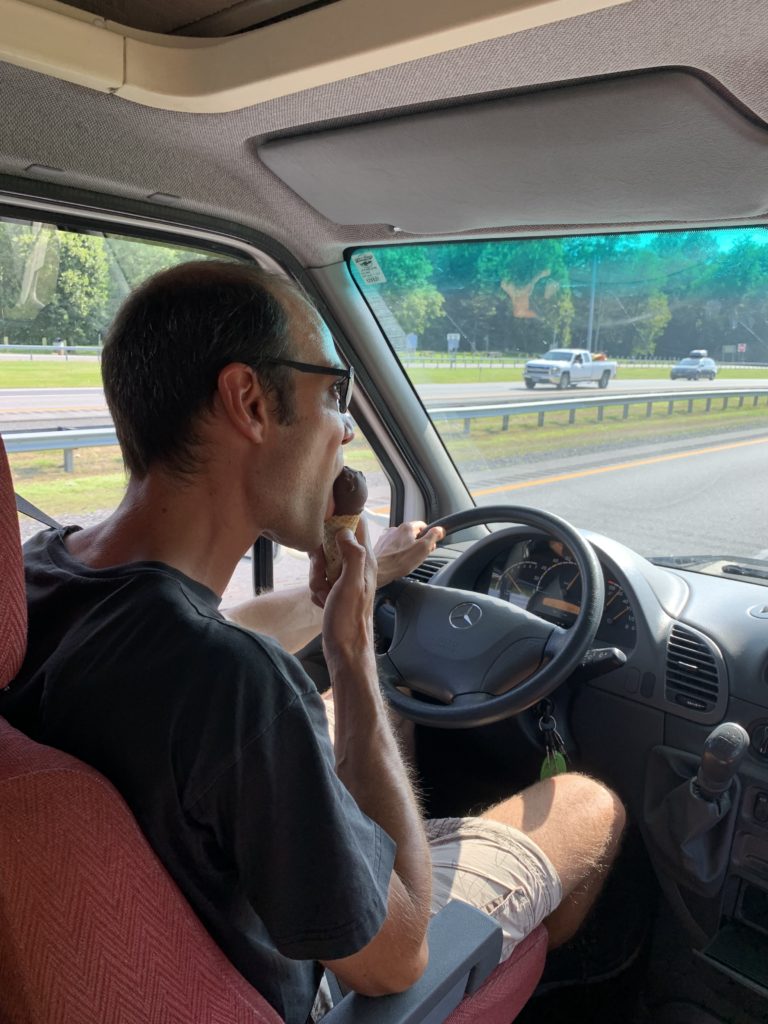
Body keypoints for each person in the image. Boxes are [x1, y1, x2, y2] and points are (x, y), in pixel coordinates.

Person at [2, 261, 625, 1024]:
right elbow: (399, 955)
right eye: (333, 393)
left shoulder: (39, 577)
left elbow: (205, 635)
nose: (348, 427)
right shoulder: (235, 686)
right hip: (319, 983)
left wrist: (363, 586)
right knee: (587, 805)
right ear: (250, 402)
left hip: (164, 939)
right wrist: (356, 657)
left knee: (335, 716)